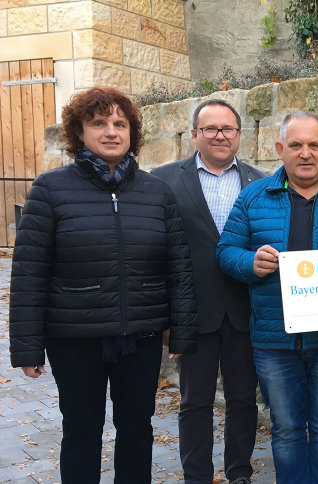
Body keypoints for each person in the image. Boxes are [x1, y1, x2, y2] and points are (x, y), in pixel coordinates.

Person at [8, 87, 197, 483]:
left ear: (132, 132)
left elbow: (178, 267)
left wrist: (182, 333)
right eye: (98, 123)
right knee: (81, 432)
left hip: (139, 338)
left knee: (137, 430)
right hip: (75, 339)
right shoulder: (50, 190)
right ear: (80, 132)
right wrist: (27, 346)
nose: (110, 131)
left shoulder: (156, 193)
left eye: (120, 123)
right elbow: (29, 273)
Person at [216, 110, 318, 484]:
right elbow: (226, 251)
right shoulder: (253, 197)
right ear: (280, 149)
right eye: (295, 145)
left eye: (313, 145)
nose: (305, 153)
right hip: (274, 340)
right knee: (286, 428)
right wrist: (249, 262)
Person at [151, 99, 265, 484]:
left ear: (239, 135)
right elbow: (155, 251)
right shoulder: (163, 180)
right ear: (195, 134)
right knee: (194, 403)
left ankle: (239, 473)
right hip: (192, 313)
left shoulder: (260, 183)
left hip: (245, 312)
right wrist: (165, 313)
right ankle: (196, 476)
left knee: (243, 402)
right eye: (211, 128)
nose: (220, 135)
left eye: (228, 129)